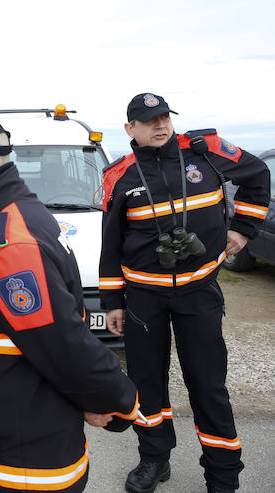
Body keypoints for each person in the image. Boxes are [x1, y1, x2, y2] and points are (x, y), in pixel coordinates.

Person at [0, 104, 140, 493]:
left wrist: (119, 401)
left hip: (21, 470)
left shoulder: (9, 242)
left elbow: (63, 343)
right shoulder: (7, 218)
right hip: (11, 451)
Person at [100, 93, 270, 493]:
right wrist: (112, 302)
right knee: (146, 383)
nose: (160, 125)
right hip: (144, 299)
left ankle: (223, 475)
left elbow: (258, 175)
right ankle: (154, 459)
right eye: (149, 120)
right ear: (130, 129)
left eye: (164, 118)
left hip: (199, 293)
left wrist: (243, 229)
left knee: (208, 384)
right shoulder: (119, 175)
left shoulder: (206, 152)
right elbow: (110, 244)